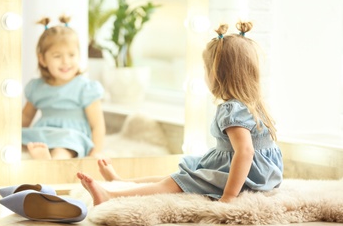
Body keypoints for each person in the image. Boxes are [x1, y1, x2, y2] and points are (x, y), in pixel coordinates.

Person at [77, 21, 283, 204]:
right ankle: (122, 182)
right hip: (263, 175)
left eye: (205, 69)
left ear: (215, 74)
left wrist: (229, 196)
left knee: (175, 182)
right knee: (180, 174)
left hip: (244, 177)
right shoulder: (256, 105)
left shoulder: (231, 110)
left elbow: (245, 152)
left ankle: (112, 196)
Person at [22, 16, 105, 160]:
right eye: (57, 56)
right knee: (21, 142)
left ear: (79, 55)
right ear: (42, 59)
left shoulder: (84, 88)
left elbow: (97, 125)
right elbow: (26, 116)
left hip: (71, 137)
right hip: (44, 133)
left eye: (71, 55)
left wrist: (95, 152)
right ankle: (42, 154)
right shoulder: (37, 87)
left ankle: (49, 161)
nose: (66, 62)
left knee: (61, 152)